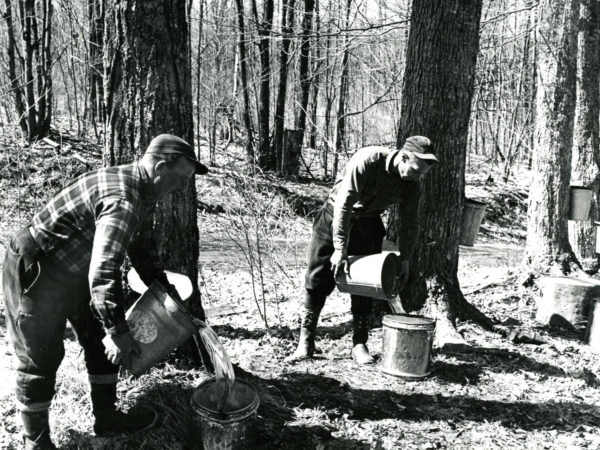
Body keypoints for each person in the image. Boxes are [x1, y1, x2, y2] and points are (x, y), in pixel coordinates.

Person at [2, 134, 208, 449]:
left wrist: (165, 292)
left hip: (73, 269)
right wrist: (118, 331)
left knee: (100, 340)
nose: (179, 188)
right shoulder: (124, 197)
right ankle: (36, 439)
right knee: (41, 355)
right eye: (179, 179)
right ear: (160, 167)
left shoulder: (142, 190)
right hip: (38, 267)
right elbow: (104, 271)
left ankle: (106, 416)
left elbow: (140, 250)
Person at [287, 136, 438, 364]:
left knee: (366, 285)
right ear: (404, 157)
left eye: (423, 174)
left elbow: (410, 225)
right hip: (334, 218)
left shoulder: (412, 185)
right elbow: (344, 204)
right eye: (417, 171)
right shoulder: (368, 160)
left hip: (368, 224)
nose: (419, 178)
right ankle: (306, 341)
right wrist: (340, 247)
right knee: (318, 279)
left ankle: (359, 344)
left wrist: (405, 259)